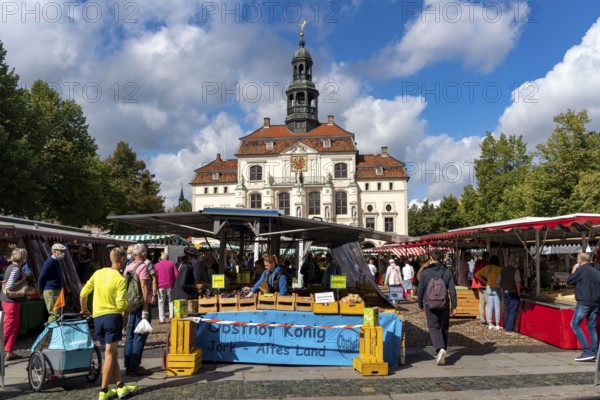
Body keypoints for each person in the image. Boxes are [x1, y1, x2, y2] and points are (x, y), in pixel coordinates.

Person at [80, 247, 137, 400]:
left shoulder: (98, 273)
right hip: (112, 317)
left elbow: (83, 293)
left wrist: (84, 309)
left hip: (98, 318)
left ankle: (120, 386)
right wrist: (129, 308)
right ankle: (103, 390)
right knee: (110, 354)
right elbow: (119, 304)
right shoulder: (119, 279)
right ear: (122, 259)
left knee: (111, 353)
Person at [417, 250, 457, 366]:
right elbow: (452, 290)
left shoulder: (425, 272)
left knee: (433, 326)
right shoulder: (447, 271)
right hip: (444, 304)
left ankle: (440, 349)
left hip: (430, 304)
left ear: (431, 258)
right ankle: (443, 348)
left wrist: (420, 303)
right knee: (444, 326)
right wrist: (454, 306)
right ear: (441, 258)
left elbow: (420, 290)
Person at [122, 243, 153, 377]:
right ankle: (135, 367)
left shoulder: (127, 267)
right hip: (140, 305)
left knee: (129, 335)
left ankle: (128, 365)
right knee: (139, 336)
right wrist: (146, 309)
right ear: (143, 254)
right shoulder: (143, 267)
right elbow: (144, 288)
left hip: (130, 304)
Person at [567, 252, 600, 361]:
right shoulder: (596, 270)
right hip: (595, 302)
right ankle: (595, 353)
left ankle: (587, 351)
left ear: (579, 261)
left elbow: (570, 281)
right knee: (591, 327)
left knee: (574, 324)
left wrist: (573, 270)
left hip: (584, 301)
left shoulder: (581, 269)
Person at [0, 247, 28, 362]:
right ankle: (2, 352)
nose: (26, 258)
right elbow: (9, 286)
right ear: (21, 257)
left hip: (10, 301)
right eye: (25, 256)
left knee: (14, 327)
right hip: (10, 301)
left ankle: (9, 352)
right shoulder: (15, 269)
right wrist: (22, 281)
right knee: (9, 327)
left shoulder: (12, 266)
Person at [38, 243, 67, 322]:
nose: (62, 253)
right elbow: (41, 277)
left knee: (58, 313)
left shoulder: (57, 262)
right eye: (60, 251)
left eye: (63, 251)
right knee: (54, 314)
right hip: (51, 290)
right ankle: (50, 332)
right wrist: (40, 290)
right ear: (54, 251)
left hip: (56, 290)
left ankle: (55, 332)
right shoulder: (49, 262)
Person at [475, 255, 503, 330]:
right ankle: (497, 324)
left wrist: (484, 281)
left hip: (488, 288)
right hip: (497, 288)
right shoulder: (500, 269)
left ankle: (490, 324)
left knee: (489, 306)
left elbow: (477, 274)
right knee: (497, 307)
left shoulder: (487, 267)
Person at [154, 252, 178, 323]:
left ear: (161, 258)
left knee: (161, 302)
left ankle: (162, 318)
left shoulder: (157, 265)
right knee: (171, 301)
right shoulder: (172, 263)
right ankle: (171, 316)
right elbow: (176, 274)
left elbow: (155, 277)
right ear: (168, 258)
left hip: (160, 286)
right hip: (170, 285)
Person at [498, 262, 521, 333]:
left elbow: (498, 281)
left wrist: (503, 287)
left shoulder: (502, 270)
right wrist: (519, 292)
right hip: (513, 292)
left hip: (505, 292)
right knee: (512, 311)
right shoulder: (515, 271)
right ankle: (509, 328)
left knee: (506, 310)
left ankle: (506, 326)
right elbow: (517, 282)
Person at [471, 251, 490, 325]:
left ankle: (481, 318)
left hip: (477, 285)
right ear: (487, 257)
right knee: (487, 303)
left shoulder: (477, 263)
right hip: (484, 285)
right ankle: (488, 320)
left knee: (481, 302)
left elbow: (474, 273)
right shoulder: (486, 264)